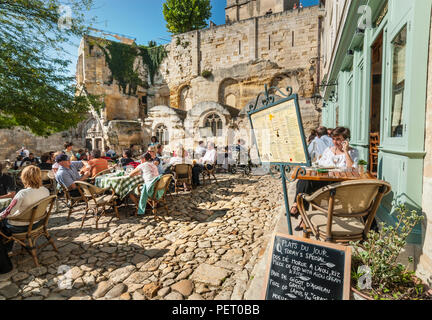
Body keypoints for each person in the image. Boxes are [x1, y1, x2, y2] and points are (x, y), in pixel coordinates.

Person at [290, 127, 359, 216]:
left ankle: (300, 211)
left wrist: (345, 151)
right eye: (333, 139)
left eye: (338, 139)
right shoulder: (328, 150)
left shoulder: (353, 152)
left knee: (304, 184)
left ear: (346, 140)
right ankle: (299, 208)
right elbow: (319, 164)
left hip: (340, 185)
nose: (335, 142)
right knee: (303, 180)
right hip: (325, 182)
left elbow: (352, 169)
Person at [0, 166, 50, 253]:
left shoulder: (22, 194)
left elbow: (8, 213)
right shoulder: (46, 190)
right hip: (37, 223)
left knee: (2, 222)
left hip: (21, 227)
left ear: (24, 178)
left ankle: (7, 249)